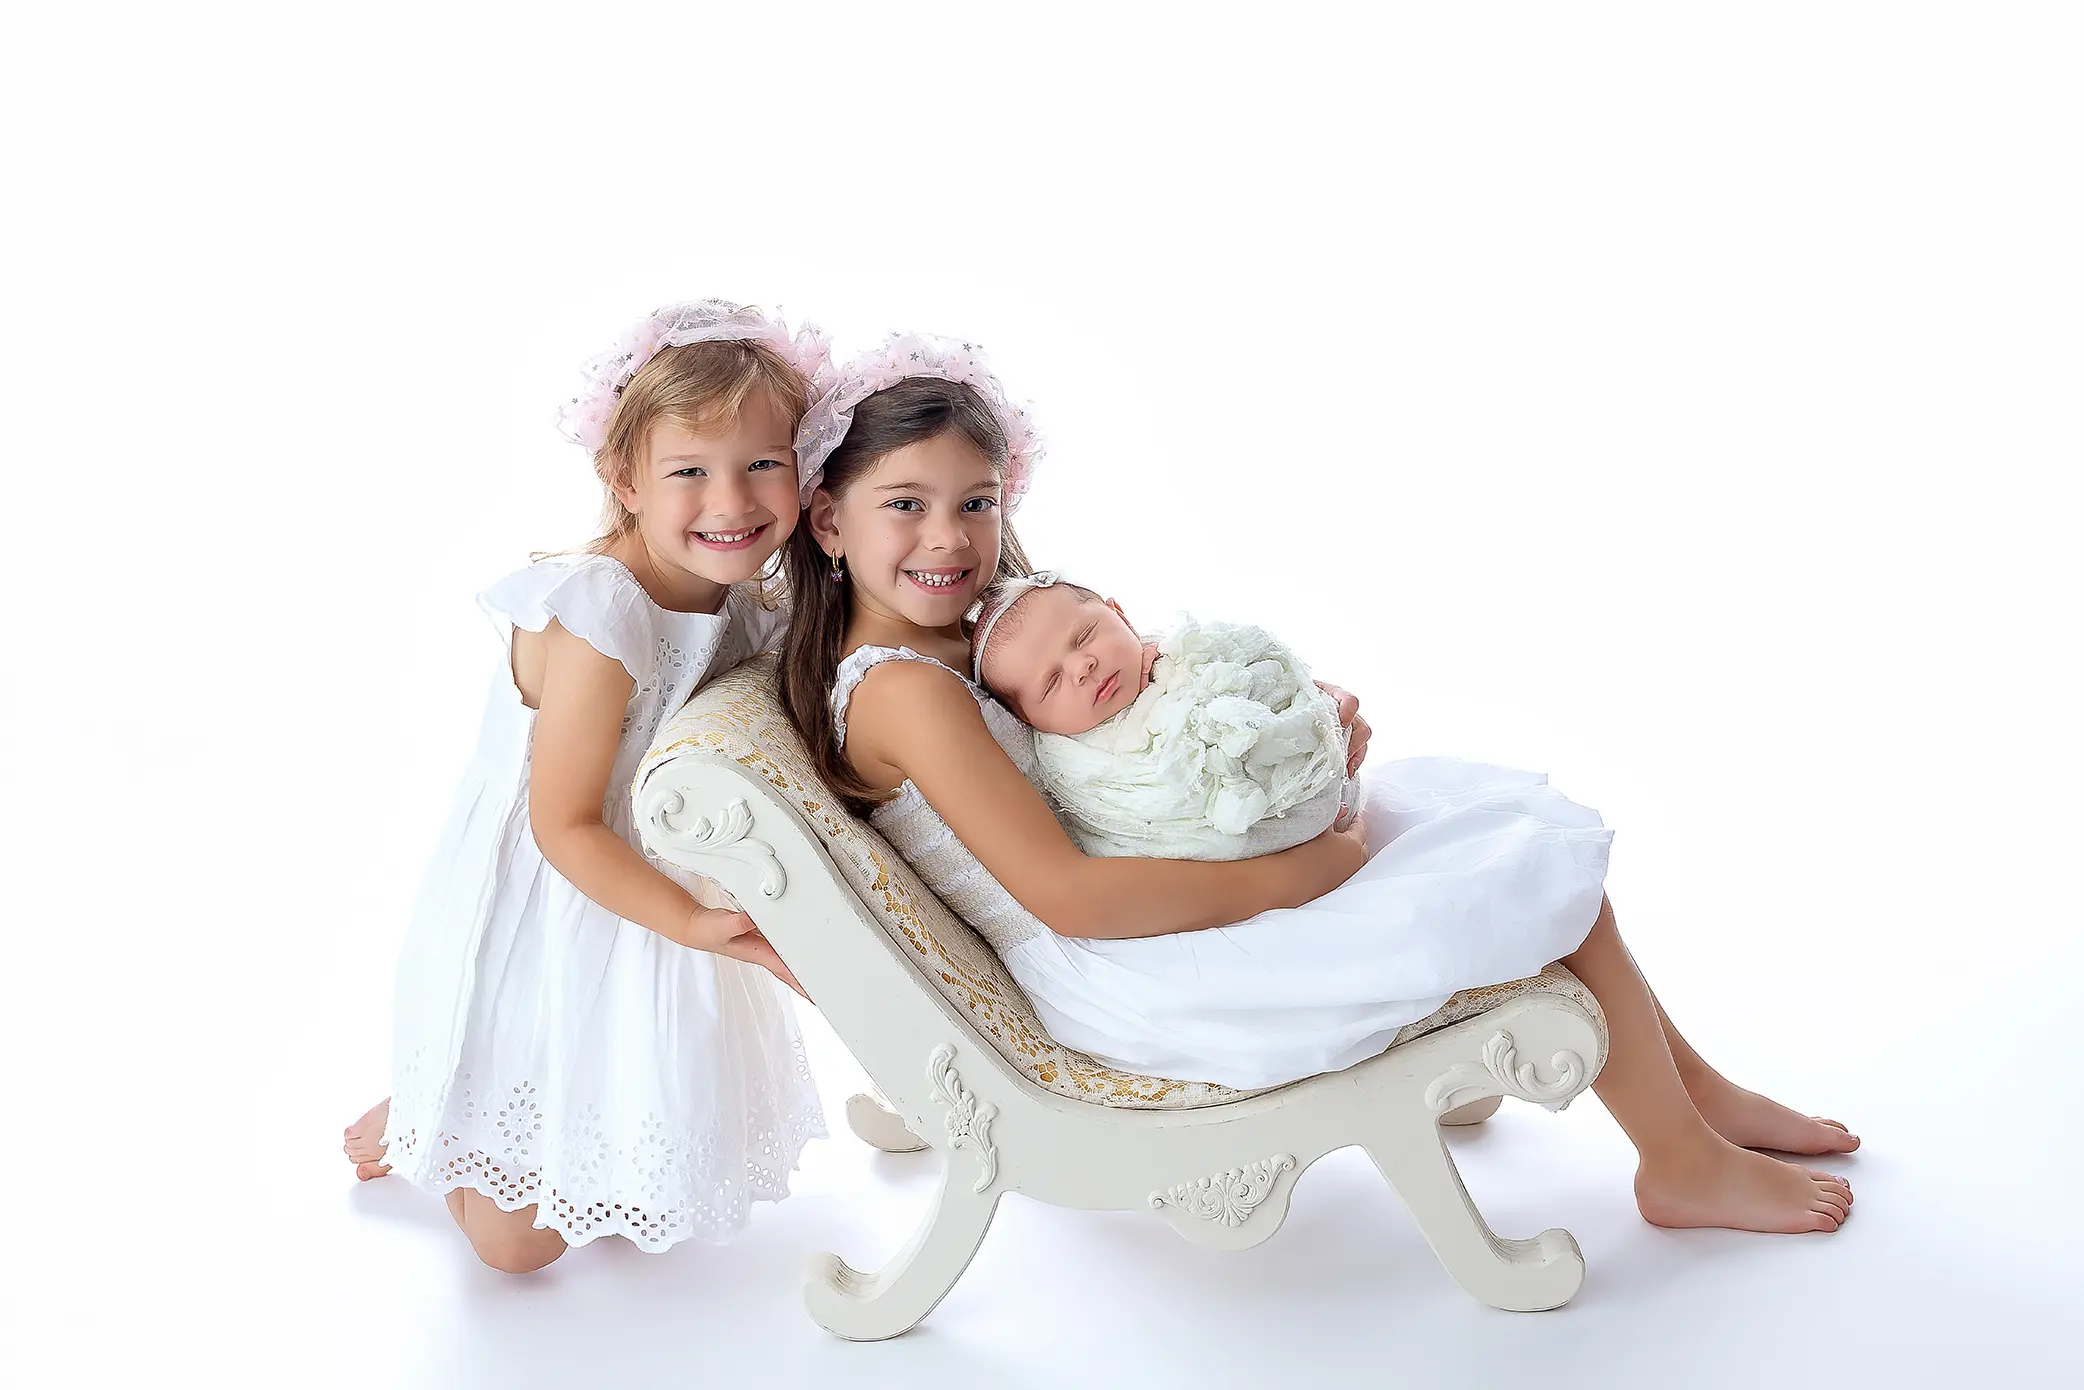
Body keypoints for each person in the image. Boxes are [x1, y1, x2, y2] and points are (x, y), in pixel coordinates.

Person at [778, 333, 1857, 1234]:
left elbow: (1119, 721)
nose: (950, 538)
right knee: (1501, 859)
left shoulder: (971, 638)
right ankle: (1676, 1156)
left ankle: (1691, 1100)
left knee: (1467, 817)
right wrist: (1310, 864)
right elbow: (1066, 891)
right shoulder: (904, 692)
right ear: (829, 523)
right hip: (1114, 962)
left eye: (974, 501)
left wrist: (1282, 733)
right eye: (904, 505)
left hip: (1147, 893)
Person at [342, 301, 829, 1271]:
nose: (729, 500)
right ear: (624, 480)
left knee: (624, 1139)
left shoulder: (749, 601)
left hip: (642, 865)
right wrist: (689, 923)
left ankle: (465, 1103)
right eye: (688, 470)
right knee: (517, 1251)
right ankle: (429, 1108)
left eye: (761, 464)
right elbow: (563, 823)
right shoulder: (601, 608)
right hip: (552, 882)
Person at [970, 573, 1359, 860]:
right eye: (1052, 682)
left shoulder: (1187, 650)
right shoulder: (1077, 763)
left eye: (1085, 636)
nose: (1082, 666)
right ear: (1028, 720)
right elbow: (1154, 824)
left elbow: (1275, 674)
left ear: (1118, 613)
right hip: (1268, 864)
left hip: (1337, 789)